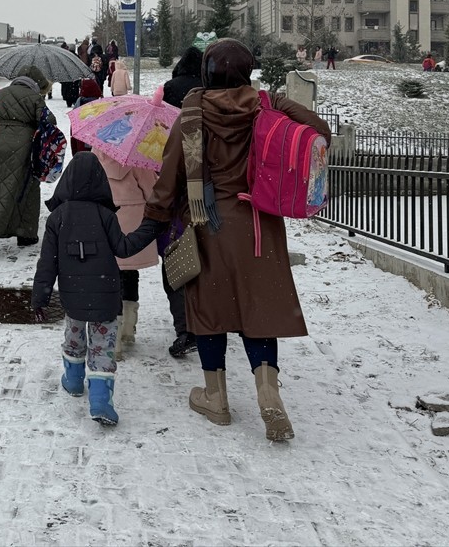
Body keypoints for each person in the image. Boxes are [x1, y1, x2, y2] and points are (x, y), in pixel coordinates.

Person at [142, 38, 331, 441]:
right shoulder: (263, 107)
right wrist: (278, 101)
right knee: (257, 307)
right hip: (259, 223)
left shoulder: (192, 112)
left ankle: (216, 397)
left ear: (208, 72)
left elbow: (170, 173)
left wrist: (153, 219)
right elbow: (320, 131)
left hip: (206, 221)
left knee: (210, 309)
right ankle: (268, 393)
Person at [31, 151, 162, 426]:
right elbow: (124, 248)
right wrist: (150, 227)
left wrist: (39, 298)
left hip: (73, 296)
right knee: (102, 346)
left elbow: (48, 263)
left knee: (75, 338)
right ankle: (101, 399)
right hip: (106, 295)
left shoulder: (58, 218)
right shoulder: (106, 215)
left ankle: (74, 380)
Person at [0, 65, 53, 257]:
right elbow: (49, 121)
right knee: (25, 188)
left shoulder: (0, 94)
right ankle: (25, 235)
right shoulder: (34, 98)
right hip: (23, 145)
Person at [158, 45, 204, 358]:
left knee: (174, 257)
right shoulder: (211, 93)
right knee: (206, 257)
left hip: (176, 182)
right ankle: (207, 322)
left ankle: (185, 328)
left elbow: (157, 130)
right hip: (210, 185)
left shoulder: (170, 90)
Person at [95, 150, 159, 360]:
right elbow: (151, 190)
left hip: (105, 216)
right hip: (132, 218)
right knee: (130, 272)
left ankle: (113, 340)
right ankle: (128, 328)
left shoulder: (98, 150)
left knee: (112, 276)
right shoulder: (138, 153)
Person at [69, 78, 103, 155]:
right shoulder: (102, 105)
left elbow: (73, 131)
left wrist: (75, 151)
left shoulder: (79, 105)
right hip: (97, 149)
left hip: (81, 148)